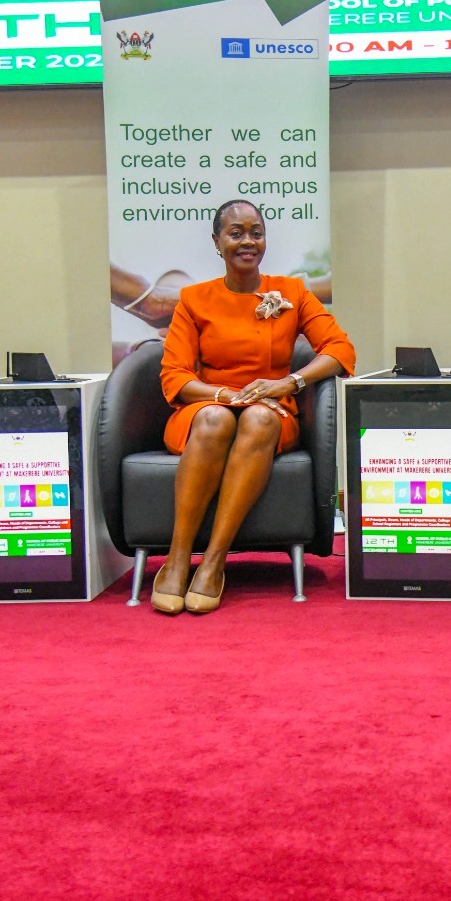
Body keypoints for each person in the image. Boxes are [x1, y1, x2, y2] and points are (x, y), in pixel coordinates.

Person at [151, 199, 354, 614]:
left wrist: (289, 382)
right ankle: (176, 559)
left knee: (260, 418)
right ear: (217, 242)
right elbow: (174, 375)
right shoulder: (193, 299)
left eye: (256, 232)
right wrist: (223, 395)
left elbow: (340, 349)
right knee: (215, 419)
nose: (248, 241)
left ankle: (212, 562)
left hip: (271, 409)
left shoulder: (292, 293)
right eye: (236, 233)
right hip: (205, 408)